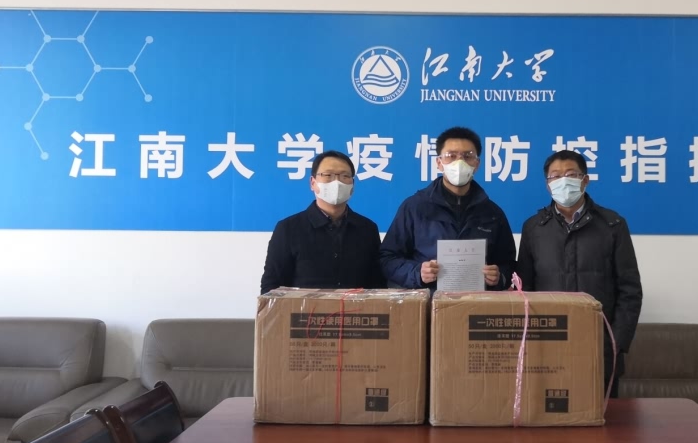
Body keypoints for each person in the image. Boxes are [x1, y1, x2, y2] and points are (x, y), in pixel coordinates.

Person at [516, 150, 643, 397]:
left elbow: (630, 290)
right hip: (547, 348)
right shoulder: (534, 228)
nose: (563, 181)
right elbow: (524, 291)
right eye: (555, 176)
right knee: (548, 413)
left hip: (599, 346)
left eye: (571, 174)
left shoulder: (612, 225)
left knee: (601, 415)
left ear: (585, 180)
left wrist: (616, 342)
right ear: (548, 185)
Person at [379, 126, 516, 291]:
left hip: (477, 303)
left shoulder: (493, 213)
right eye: (451, 156)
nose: (459, 163)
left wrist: (499, 276)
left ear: (477, 164)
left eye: (468, 156)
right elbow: (387, 259)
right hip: (428, 303)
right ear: (439, 163)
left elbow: (508, 264)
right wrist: (417, 273)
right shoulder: (414, 207)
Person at [259, 150, 385, 293]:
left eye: (345, 176)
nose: (337, 182)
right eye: (328, 175)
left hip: (356, 308)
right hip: (303, 308)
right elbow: (271, 287)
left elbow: (378, 285)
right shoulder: (288, 228)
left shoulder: (367, 229)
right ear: (313, 183)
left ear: (352, 186)